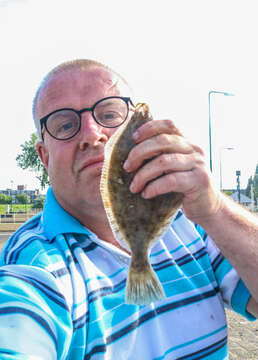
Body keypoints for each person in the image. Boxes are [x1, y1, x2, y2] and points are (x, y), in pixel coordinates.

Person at [0, 59, 258, 360]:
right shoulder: (32, 264)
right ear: (44, 157)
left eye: (109, 115)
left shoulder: (191, 219)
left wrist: (215, 210)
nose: (92, 134)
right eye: (66, 125)